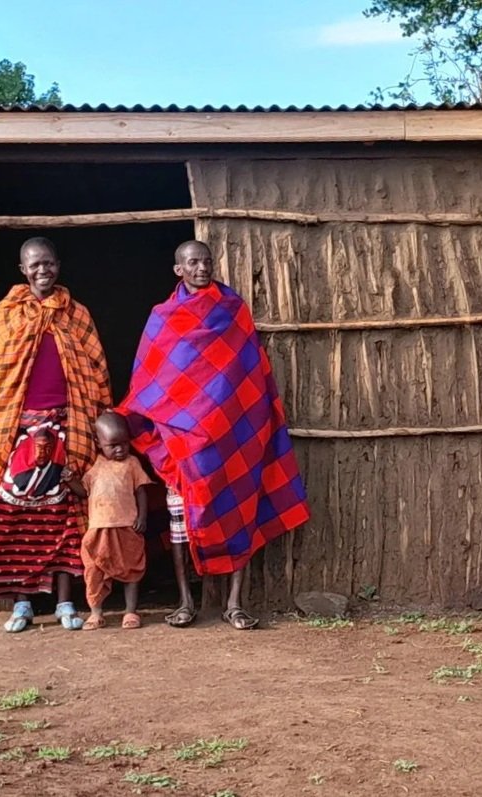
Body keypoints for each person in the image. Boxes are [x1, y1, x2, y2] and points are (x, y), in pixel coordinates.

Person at [120, 240, 310, 630]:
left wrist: (240, 419)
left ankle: (235, 604)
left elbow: (248, 371)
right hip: (182, 444)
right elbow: (151, 382)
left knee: (240, 513)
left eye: (207, 261)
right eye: (193, 262)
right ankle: (185, 601)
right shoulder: (163, 317)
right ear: (178, 269)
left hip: (232, 435)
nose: (202, 268)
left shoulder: (232, 310)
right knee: (180, 525)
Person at [0, 236, 111, 632]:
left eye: (48, 263)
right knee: (15, 518)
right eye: (34, 265)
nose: (42, 270)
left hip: (68, 426)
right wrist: (16, 425)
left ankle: (65, 602)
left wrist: (95, 415)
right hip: (17, 431)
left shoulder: (76, 314)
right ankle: (22, 604)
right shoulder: (5, 315)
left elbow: (96, 370)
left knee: (63, 515)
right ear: (23, 270)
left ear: (58, 265)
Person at [64, 412, 152, 630]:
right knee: (94, 570)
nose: (120, 449)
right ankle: (96, 612)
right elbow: (83, 492)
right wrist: (70, 480)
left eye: (124, 443)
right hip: (98, 530)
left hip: (127, 526)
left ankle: (130, 611)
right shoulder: (95, 466)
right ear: (98, 443)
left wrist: (142, 517)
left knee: (132, 568)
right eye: (113, 445)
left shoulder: (132, 463)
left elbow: (141, 491)